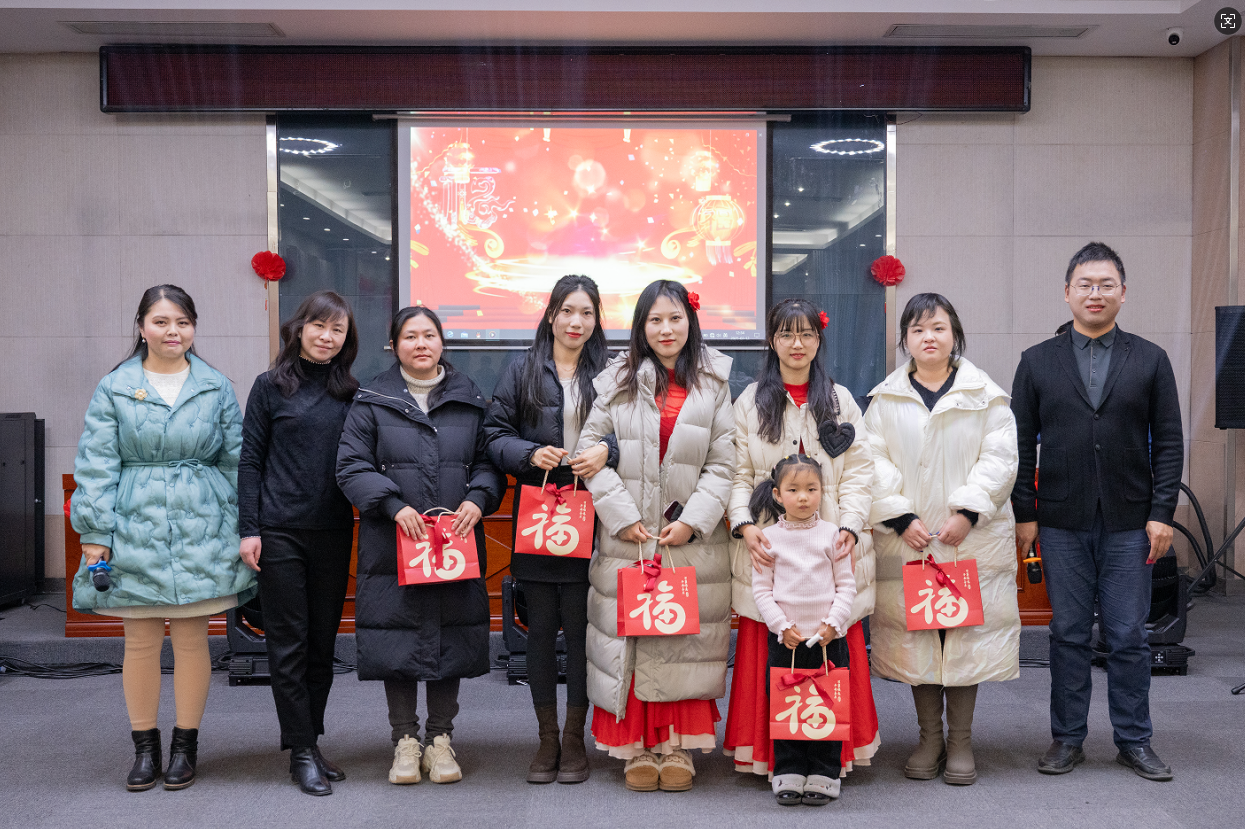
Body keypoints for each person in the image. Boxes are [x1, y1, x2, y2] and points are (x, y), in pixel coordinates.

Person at [70, 284, 256, 792]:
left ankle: (184, 747)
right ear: (142, 327)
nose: (173, 331)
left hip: (203, 523)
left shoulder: (215, 386)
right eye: (161, 321)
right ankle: (145, 748)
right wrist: (95, 532)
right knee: (141, 639)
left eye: (183, 322)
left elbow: (237, 461)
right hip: (134, 519)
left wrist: (244, 525)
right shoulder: (115, 387)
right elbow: (96, 463)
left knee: (194, 638)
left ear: (193, 328)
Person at [1011, 242, 1183, 782]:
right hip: (1061, 518)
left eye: (1106, 284)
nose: (1095, 293)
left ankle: (1135, 740)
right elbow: (1019, 444)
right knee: (1067, 633)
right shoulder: (1036, 361)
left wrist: (1163, 512)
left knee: (1128, 634)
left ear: (1122, 293)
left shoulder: (1151, 358)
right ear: (1067, 292)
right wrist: (1024, 512)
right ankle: (1067, 738)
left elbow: (1170, 442)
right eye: (1085, 284)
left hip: (1131, 520)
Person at [575, 280, 734, 793]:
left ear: (690, 322)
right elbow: (587, 455)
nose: (666, 330)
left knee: (683, 643)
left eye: (675, 318)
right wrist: (621, 516)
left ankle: (677, 747)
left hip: (689, 541)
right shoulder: (614, 381)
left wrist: (693, 520)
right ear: (641, 326)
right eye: (655, 320)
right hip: (629, 538)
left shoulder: (714, 382)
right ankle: (637, 748)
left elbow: (724, 463)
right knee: (634, 638)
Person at [336, 306, 504, 786]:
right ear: (394, 345)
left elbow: (488, 462)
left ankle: (440, 738)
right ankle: (405, 741)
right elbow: (350, 466)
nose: (421, 344)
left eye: (429, 335)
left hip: (455, 540)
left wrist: (477, 499)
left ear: (442, 342)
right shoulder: (372, 400)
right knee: (398, 637)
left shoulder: (469, 398)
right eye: (410, 336)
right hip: (393, 543)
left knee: (450, 635)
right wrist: (392, 505)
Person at [865, 292, 1020, 786]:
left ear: (955, 335)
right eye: (917, 330)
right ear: (905, 340)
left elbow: (1000, 459)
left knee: (963, 636)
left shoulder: (986, 396)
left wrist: (968, 511)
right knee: (921, 637)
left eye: (938, 328)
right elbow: (871, 462)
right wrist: (900, 516)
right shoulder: (884, 400)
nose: (928, 338)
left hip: (967, 538)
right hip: (910, 538)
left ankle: (961, 742)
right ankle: (929, 738)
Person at [725, 298, 879, 777]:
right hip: (771, 549)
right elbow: (737, 473)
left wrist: (850, 525)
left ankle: (832, 760)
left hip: (831, 551)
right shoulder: (750, 402)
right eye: (787, 334)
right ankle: (775, 760)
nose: (797, 344)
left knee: (835, 643)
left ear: (818, 340)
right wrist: (744, 525)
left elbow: (861, 472)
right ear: (772, 341)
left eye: (807, 334)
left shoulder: (840, 399)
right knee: (771, 645)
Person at [483, 275, 619, 784]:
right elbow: (493, 435)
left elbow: (635, 436)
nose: (575, 322)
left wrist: (607, 451)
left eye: (586, 312)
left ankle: (574, 738)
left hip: (595, 511)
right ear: (550, 314)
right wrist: (528, 453)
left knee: (583, 633)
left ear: (596, 319)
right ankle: (546, 738)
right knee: (539, 632)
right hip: (539, 513)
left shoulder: (612, 371)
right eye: (567, 311)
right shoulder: (521, 369)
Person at [238, 291, 359, 796]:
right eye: (319, 326)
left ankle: (311, 739)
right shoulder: (269, 387)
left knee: (322, 644)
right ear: (300, 328)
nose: (327, 337)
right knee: (289, 644)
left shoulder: (352, 392)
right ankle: (301, 751)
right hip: (279, 531)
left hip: (333, 530)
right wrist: (249, 529)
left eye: (337, 330)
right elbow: (250, 461)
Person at [749, 454, 857, 806]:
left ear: (822, 492)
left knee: (828, 704)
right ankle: (789, 769)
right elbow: (762, 591)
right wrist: (782, 626)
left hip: (828, 640)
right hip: (787, 641)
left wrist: (833, 623)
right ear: (777, 494)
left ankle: (825, 772)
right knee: (787, 705)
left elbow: (846, 586)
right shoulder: (768, 539)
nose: (803, 497)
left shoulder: (834, 535)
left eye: (812, 489)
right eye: (793, 490)